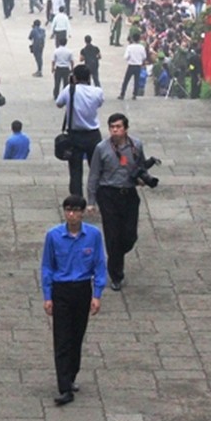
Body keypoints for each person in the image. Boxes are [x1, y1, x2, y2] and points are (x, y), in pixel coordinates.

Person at [40, 196, 106, 406]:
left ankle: (71, 374)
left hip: (82, 289)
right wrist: (48, 296)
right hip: (61, 290)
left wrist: (97, 294)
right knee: (62, 339)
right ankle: (64, 387)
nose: (71, 215)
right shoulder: (53, 236)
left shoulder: (93, 235)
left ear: (82, 213)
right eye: (68, 210)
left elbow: (99, 264)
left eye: (75, 210)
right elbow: (47, 267)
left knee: (77, 337)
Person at [87, 113, 148, 291]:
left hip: (129, 193)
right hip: (108, 194)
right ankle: (116, 274)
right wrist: (91, 200)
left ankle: (117, 255)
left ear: (125, 129)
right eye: (112, 127)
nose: (115, 130)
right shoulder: (101, 148)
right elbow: (94, 175)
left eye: (118, 127)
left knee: (129, 236)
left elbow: (141, 166)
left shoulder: (136, 145)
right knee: (113, 235)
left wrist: (142, 179)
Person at [55, 65, 104, 197]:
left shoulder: (69, 90)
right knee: (96, 169)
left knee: (75, 170)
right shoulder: (97, 91)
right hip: (93, 134)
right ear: (89, 77)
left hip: (75, 135)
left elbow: (58, 103)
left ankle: (77, 199)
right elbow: (99, 103)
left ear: (74, 77)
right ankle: (96, 197)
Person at [118, 33, 148, 100]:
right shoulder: (142, 47)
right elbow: (144, 57)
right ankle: (134, 95)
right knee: (136, 81)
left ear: (133, 39)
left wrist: (130, 59)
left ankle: (122, 94)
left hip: (131, 65)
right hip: (138, 66)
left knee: (126, 80)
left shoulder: (130, 47)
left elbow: (126, 57)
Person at [51, 35, 74, 99]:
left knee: (57, 83)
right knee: (66, 83)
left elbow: (53, 60)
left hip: (58, 68)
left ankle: (56, 95)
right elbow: (72, 61)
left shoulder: (56, 51)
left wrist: (52, 68)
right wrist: (72, 69)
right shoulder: (69, 51)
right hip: (66, 68)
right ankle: (65, 95)